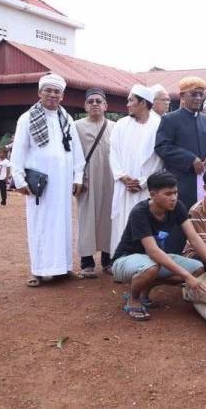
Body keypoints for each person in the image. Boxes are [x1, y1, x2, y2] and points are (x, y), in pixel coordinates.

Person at [111, 171, 206, 321]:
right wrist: (186, 276)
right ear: (153, 194)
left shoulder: (177, 207)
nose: (173, 198)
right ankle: (133, 298)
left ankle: (146, 288)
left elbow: (194, 239)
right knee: (153, 268)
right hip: (126, 259)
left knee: (197, 268)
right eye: (168, 194)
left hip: (151, 261)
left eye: (175, 192)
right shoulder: (139, 212)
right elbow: (153, 251)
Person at [10, 73, 85, 287]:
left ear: (62, 96)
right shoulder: (27, 118)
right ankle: (39, 271)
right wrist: (19, 179)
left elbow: (76, 151)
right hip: (39, 184)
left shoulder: (67, 118)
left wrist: (78, 175)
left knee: (63, 224)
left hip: (62, 184)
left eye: (57, 92)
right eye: (48, 91)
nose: (52, 95)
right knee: (39, 225)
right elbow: (19, 151)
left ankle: (63, 268)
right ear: (39, 93)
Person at [155, 76, 206, 254]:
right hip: (180, 183)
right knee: (178, 225)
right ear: (182, 95)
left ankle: (203, 263)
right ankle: (173, 266)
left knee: (203, 224)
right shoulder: (170, 119)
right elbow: (162, 147)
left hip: (204, 185)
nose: (198, 98)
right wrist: (190, 159)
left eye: (201, 94)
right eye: (194, 94)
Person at [110, 84, 163, 256]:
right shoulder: (121, 124)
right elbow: (114, 153)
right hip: (124, 185)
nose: (128, 104)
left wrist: (144, 182)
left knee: (145, 222)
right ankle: (121, 260)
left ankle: (146, 261)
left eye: (131, 100)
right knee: (122, 221)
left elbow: (159, 159)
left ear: (143, 103)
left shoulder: (159, 124)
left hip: (148, 187)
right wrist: (123, 177)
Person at [75, 88, 115, 277]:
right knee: (86, 218)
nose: (95, 104)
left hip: (111, 180)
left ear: (105, 105)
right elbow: (72, 156)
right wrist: (76, 178)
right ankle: (87, 261)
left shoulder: (115, 127)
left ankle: (108, 260)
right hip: (87, 179)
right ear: (85, 106)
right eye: (90, 101)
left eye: (99, 101)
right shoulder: (76, 127)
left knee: (109, 218)